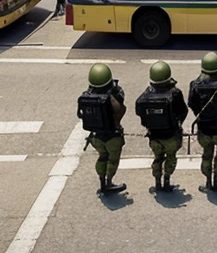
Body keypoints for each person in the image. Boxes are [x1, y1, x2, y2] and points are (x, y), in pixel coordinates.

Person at [136, 61, 189, 193]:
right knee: (170, 157)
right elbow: (183, 111)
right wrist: (177, 123)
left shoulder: (146, 95)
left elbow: (139, 112)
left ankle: (157, 183)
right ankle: (167, 181)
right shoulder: (175, 93)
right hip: (171, 135)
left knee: (158, 158)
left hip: (154, 137)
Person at [188, 52, 217, 192]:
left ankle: (207, 182)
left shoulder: (195, 84)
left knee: (207, 155)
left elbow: (192, 104)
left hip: (204, 128)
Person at [77, 63, 127, 195]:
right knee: (113, 159)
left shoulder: (86, 95)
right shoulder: (114, 94)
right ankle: (109, 182)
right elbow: (120, 111)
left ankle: (101, 181)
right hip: (113, 136)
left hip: (96, 137)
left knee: (102, 157)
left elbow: (80, 114)